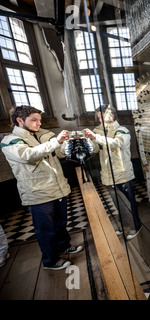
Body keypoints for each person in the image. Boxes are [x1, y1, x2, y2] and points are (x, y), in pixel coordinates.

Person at [0, 105, 83, 271]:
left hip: (57, 188)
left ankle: (63, 246)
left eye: (40, 120)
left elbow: (58, 154)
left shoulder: (42, 135)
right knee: (45, 229)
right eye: (34, 120)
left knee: (60, 223)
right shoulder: (9, 141)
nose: (39, 123)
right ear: (19, 120)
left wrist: (68, 144)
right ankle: (50, 260)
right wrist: (55, 142)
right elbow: (28, 155)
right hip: (38, 193)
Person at [83, 105, 143, 240]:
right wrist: (86, 142)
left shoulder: (123, 130)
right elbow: (97, 149)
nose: (100, 120)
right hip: (108, 175)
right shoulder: (101, 133)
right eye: (98, 117)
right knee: (118, 204)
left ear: (112, 115)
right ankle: (125, 225)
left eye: (102, 116)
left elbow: (117, 143)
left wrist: (96, 137)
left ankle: (136, 226)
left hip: (122, 175)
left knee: (128, 203)